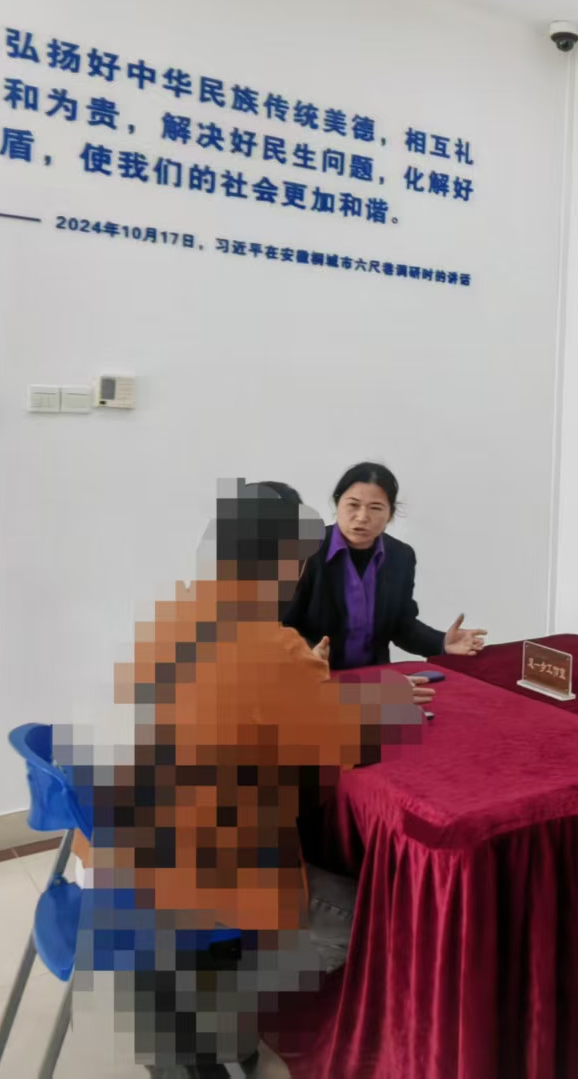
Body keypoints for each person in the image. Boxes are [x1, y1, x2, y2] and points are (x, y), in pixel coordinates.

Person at [75, 480, 425, 1078]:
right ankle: (219, 1008)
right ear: (285, 564)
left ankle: (183, 1013)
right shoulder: (270, 644)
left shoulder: (171, 617)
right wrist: (384, 705)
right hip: (201, 877)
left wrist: (304, 682)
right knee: (372, 917)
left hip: (118, 855)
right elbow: (341, 748)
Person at [282, 461, 487, 670]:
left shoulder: (400, 556)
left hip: (374, 677)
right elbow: (279, 626)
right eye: (353, 505)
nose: (362, 517)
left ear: (390, 515)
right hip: (313, 677)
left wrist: (442, 643)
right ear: (337, 504)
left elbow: (402, 626)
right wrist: (306, 652)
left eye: (376, 508)